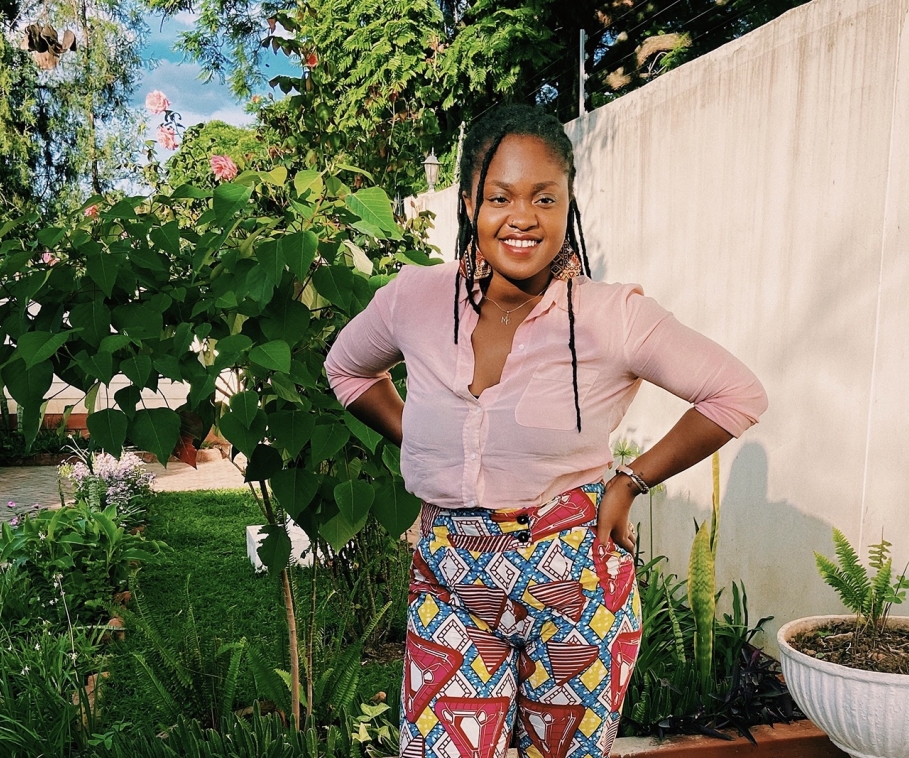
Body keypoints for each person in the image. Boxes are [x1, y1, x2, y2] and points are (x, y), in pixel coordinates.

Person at [324, 104, 766, 758]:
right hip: (452, 582)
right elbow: (348, 371)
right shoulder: (411, 299)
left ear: (568, 203)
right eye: (500, 196)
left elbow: (735, 393)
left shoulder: (611, 316)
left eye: (544, 197)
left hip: (574, 585)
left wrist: (631, 479)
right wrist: (421, 438)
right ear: (469, 202)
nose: (523, 217)